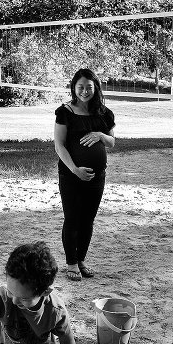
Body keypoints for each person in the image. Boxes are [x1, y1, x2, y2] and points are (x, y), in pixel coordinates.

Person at [53, 68, 116, 281]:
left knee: (88, 220)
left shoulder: (104, 113)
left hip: (97, 177)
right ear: (74, 88)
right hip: (71, 175)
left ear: (96, 87)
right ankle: (71, 264)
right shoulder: (65, 112)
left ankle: (81, 260)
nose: (84, 91)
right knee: (72, 219)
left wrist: (100, 135)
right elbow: (59, 146)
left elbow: (112, 142)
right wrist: (75, 170)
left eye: (89, 87)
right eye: (80, 87)